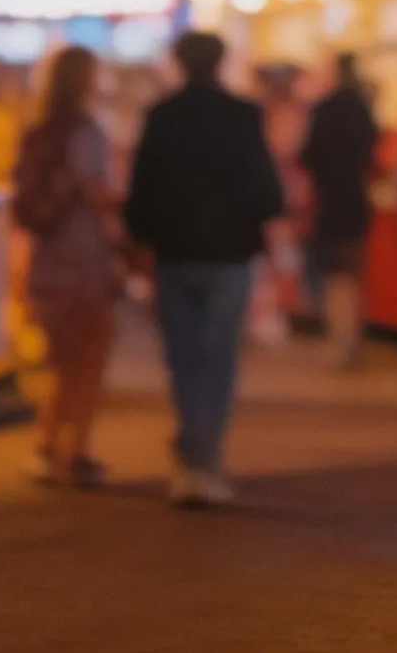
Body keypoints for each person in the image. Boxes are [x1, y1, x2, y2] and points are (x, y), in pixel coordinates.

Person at [122, 31, 284, 507]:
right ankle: (203, 452)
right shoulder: (243, 116)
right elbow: (268, 193)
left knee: (183, 354)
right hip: (229, 253)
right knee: (219, 355)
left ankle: (193, 447)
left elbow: (141, 192)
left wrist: (144, 237)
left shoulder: (162, 117)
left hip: (174, 253)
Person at [12, 46, 120, 487]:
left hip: (46, 258)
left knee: (59, 360)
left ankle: (47, 444)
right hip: (84, 259)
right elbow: (95, 193)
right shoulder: (87, 131)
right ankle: (76, 449)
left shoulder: (37, 131)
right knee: (88, 358)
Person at [297, 53, 379, 370]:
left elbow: (307, 155)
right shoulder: (362, 108)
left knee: (333, 274)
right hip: (356, 198)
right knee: (353, 270)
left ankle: (342, 338)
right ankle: (352, 336)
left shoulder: (324, 109)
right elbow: (373, 153)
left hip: (328, 200)